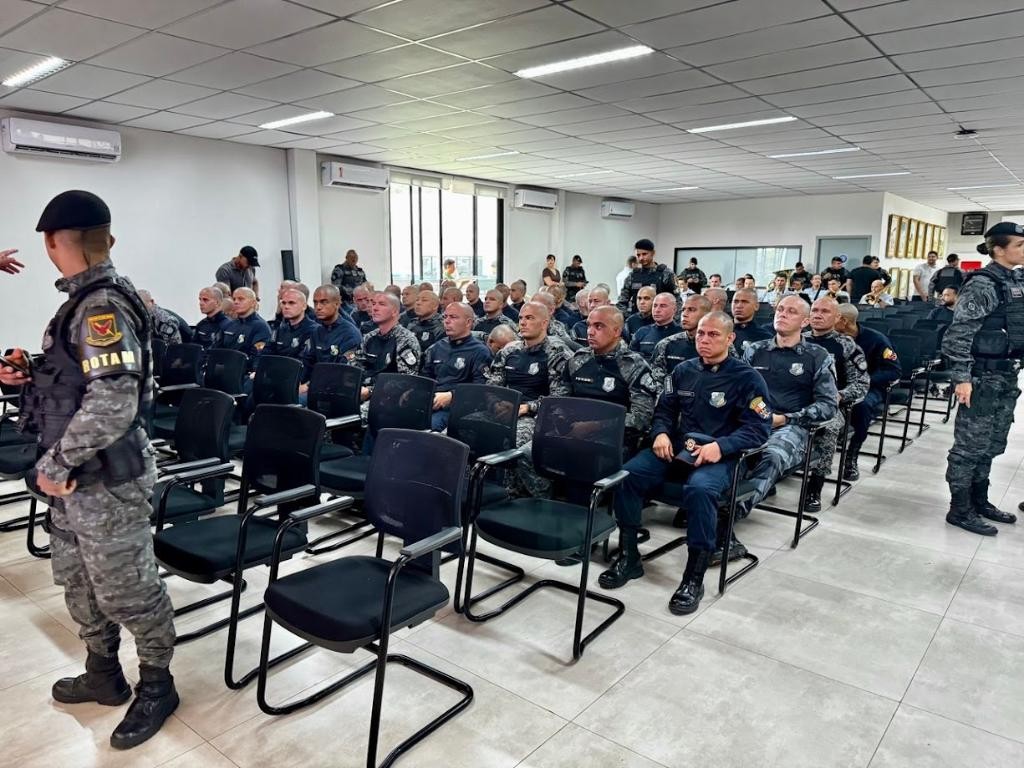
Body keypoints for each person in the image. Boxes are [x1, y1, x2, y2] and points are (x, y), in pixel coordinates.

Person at [0, 190, 178, 749]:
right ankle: (103, 674)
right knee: (78, 583)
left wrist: (55, 465)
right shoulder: (80, 302)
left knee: (129, 591)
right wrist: (29, 374)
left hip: (106, 478)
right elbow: (79, 381)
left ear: (53, 242)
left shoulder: (102, 306)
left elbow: (114, 401)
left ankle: (158, 685)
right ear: (109, 239)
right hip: (76, 478)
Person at [597, 312, 772, 616]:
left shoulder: (748, 378)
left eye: (713, 335)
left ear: (730, 338)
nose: (704, 340)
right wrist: (661, 433)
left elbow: (759, 428)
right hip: (680, 447)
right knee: (628, 475)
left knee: (700, 490)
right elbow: (664, 411)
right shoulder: (683, 370)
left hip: (721, 454)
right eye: (701, 333)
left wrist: (722, 446)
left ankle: (694, 577)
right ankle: (629, 556)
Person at [943, 222, 1024, 535]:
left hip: (1005, 376)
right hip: (980, 378)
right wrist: (962, 378)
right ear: (999, 250)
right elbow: (958, 334)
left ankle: (979, 500)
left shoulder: (1013, 279)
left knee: (991, 442)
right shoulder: (982, 284)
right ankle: (959, 508)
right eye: (1019, 245)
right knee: (969, 447)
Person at [738, 297, 838, 538]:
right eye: (780, 309)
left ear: (805, 322)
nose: (782, 314)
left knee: (772, 455)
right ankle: (707, 500)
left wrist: (785, 418)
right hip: (753, 420)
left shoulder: (817, 355)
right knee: (722, 447)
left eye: (791, 311)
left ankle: (733, 510)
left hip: (793, 425)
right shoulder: (755, 350)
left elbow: (828, 406)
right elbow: (738, 389)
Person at [485, 301, 572, 496]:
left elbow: (559, 398)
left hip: (538, 417)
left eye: (530, 318)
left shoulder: (557, 353)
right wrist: (496, 403)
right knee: (462, 430)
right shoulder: (509, 351)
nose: (522, 322)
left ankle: (535, 497)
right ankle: (475, 490)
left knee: (512, 442)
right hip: (505, 410)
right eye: (521, 318)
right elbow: (491, 387)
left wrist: (526, 408)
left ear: (544, 323)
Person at [802, 297, 870, 511]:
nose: (818, 315)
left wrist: (839, 396)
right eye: (814, 310)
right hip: (793, 401)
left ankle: (815, 485)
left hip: (828, 404)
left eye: (825, 311)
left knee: (829, 428)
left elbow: (861, 383)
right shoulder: (798, 340)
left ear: (837, 317)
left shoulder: (846, 345)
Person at [564, 305, 658, 450]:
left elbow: (641, 418)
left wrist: (594, 426)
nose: (590, 332)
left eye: (598, 326)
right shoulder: (577, 360)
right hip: (573, 430)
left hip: (614, 439)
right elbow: (560, 400)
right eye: (589, 325)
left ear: (616, 331)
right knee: (530, 452)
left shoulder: (634, 365)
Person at [834, 303, 901, 480]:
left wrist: (865, 380)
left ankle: (852, 455)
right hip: (837, 386)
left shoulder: (877, 340)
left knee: (861, 407)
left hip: (869, 387)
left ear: (843, 321)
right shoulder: (831, 338)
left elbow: (894, 370)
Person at [420, 302, 491, 431]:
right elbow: (425, 377)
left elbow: (480, 389)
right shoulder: (437, 347)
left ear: (468, 322)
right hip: (429, 401)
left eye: (453, 317)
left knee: (427, 427)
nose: (447, 321)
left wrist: (452, 396)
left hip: (457, 407)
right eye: (445, 317)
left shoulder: (480, 351)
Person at [357, 292, 421, 401]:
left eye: (381, 304)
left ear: (394, 311)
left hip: (389, 398)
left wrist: (370, 391)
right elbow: (357, 366)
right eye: (373, 304)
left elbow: (406, 380)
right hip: (363, 391)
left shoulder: (405, 339)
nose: (375, 308)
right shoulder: (369, 337)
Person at [299, 284, 361, 396]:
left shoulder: (350, 334)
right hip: (316, 387)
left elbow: (343, 372)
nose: (318, 307)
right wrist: (298, 383)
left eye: (324, 302)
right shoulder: (317, 332)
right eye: (315, 302)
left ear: (337, 304)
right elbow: (308, 363)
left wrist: (308, 386)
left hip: (336, 391)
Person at [650, 294, 712, 387]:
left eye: (691, 310)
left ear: (706, 314)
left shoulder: (720, 346)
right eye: (683, 310)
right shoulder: (666, 344)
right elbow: (657, 381)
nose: (684, 314)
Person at [616, 238, 678, 314]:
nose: (641, 258)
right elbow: (622, 301)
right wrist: (628, 318)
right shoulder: (632, 276)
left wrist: (674, 319)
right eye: (638, 255)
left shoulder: (666, 274)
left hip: (660, 318)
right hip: (637, 318)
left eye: (644, 254)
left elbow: (677, 300)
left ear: (653, 253)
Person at [218, 287, 272, 370]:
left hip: (244, 371)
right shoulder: (229, 325)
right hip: (225, 369)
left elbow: (257, 357)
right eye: (234, 299)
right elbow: (218, 350)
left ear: (253, 303)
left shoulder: (261, 327)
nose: (236, 302)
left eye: (241, 299)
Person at [262, 287, 317, 360]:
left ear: (304, 306)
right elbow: (266, 354)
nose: (286, 307)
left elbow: (304, 360)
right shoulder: (279, 329)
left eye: (291, 303)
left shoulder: (313, 330)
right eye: (283, 303)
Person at [630, 292, 682, 362]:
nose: (657, 310)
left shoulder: (682, 333)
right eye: (655, 306)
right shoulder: (642, 332)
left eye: (663, 306)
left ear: (674, 309)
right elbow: (630, 358)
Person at [731, 288, 773, 353]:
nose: (739, 306)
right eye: (735, 301)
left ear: (756, 306)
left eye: (745, 302)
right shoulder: (719, 330)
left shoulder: (765, 338)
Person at [194, 286, 230, 351]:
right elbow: (193, 349)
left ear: (217, 302)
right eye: (200, 299)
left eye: (205, 300)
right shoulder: (201, 325)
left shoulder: (228, 326)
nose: (201, 303)